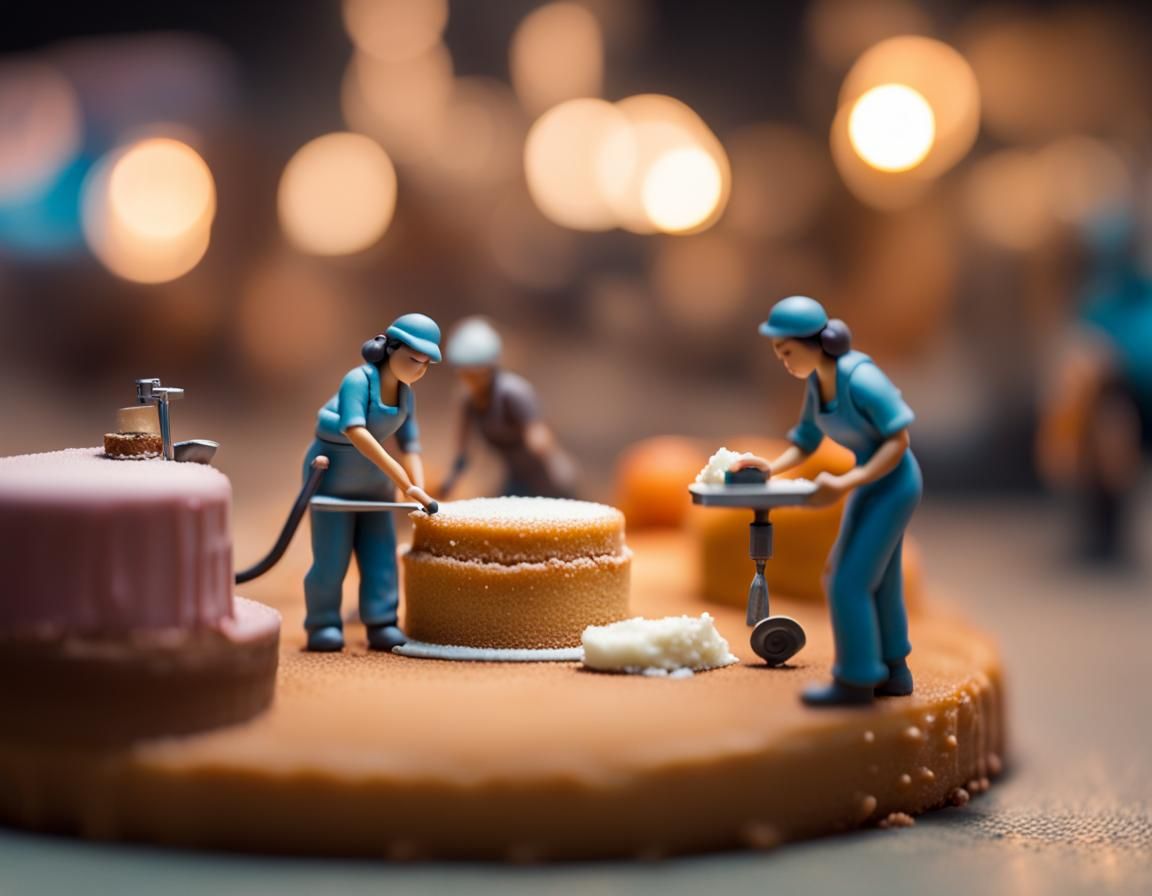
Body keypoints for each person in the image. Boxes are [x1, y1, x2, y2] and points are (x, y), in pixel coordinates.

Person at [731, 296, 922, 707]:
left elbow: (898, 439)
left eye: (786, 351)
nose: (783, 361)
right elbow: (806, 441)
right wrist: (769, 468)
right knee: (879, 580)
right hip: (870, 481)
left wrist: (849, 480)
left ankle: (856, 680)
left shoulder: (861, 379)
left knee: (847, 581)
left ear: (814, 342)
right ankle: (894, 671)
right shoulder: (818, 384)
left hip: (895, 482)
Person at [302, 313, 441, 653]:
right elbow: (357, 432)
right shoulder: (357, 381)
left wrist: (418, 489)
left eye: (425, 364)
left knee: (380, 556)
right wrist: (405, 483)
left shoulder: (407, 397)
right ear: (389, 349)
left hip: (376, 484)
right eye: (412, 359)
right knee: (331, 558)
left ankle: (382, 622)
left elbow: (410, 445)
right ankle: (323, 622)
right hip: (332, 477)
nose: (418, 369)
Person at [439, 316, 576, 498]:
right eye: (465, 372)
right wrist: (451, 480)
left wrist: (538, 440)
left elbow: (538, 434)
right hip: (516, 478)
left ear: (489, 367)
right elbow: (463, 452)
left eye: (476, 372)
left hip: (548, 478)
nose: (470, 379)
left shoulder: (513, 393)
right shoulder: (467, 401)